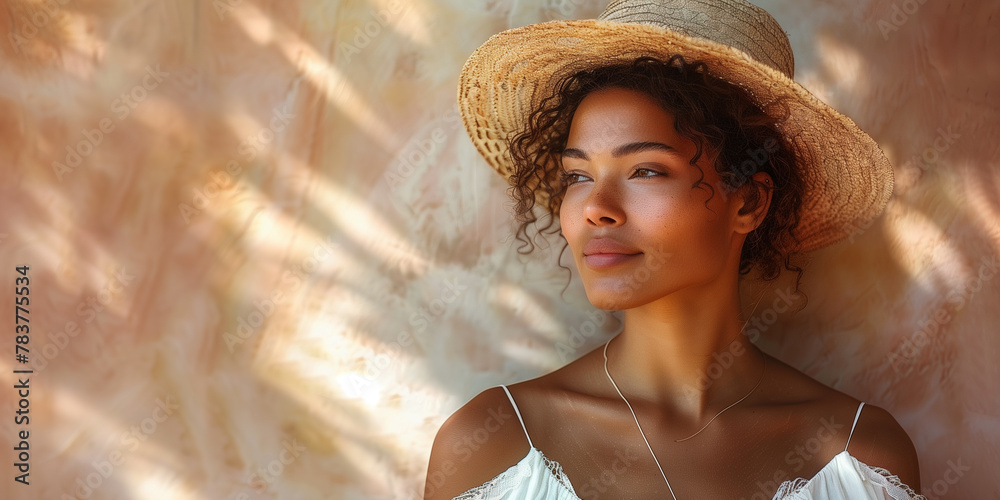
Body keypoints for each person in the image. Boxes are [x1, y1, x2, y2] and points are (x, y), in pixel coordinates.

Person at [425, 1, 925, 498]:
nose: (596, 208)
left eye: (646, 170)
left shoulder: (860, 458)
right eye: (577, 176)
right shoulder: (492, 446)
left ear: (748, 201)